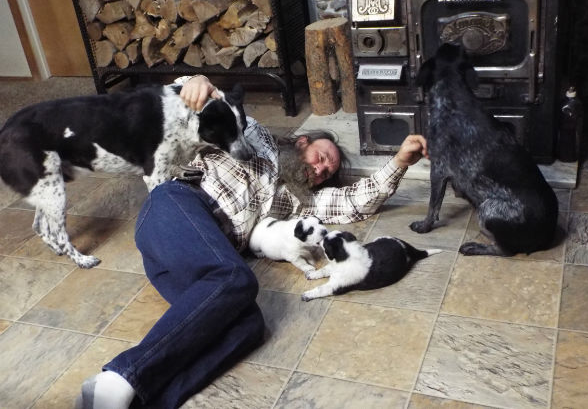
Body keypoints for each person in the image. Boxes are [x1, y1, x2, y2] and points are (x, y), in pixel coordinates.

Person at [76, 75, 428, 409]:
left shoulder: (299, 201)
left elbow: (355, 200)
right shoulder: (253, 135)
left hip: (194, 260)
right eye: (322, 157)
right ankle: (121, 377)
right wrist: (195, 82)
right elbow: (199, 105)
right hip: (175, 206)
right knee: (237, 278)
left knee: (248, 326)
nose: (321, 170)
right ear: (302, 142)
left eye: (327, 173)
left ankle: (127, 399)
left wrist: (400, 161)